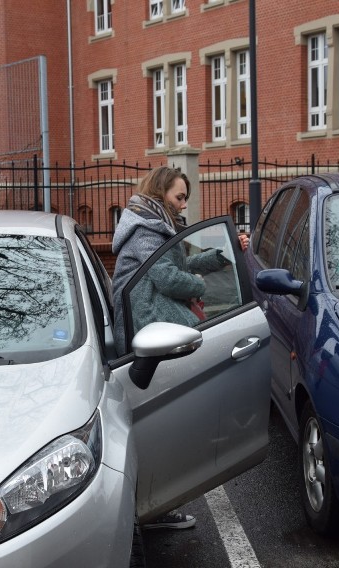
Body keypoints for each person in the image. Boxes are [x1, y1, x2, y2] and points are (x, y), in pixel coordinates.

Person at [111, 166, 240, 530]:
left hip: (153, 322)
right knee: (159, 421)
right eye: (179, 197)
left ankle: (156, 501)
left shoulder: (157, 225)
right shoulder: (144, 229)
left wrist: (221, 256)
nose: (184, 205)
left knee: (159, 421)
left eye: (185, 198)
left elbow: (178, 264)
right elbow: (167, 278)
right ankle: (151, 504)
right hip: (146, 328)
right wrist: (199, 285)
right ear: (159, 193)